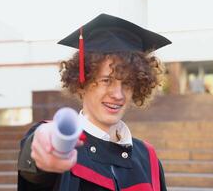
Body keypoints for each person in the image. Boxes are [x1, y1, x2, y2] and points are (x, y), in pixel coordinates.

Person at [17, 13, 171, 191]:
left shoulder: (147, 158)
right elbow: (37, 155)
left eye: (127, 83)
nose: (118, 94)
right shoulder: (61, 144)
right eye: (106, 80)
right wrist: (45, 141)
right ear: (82, 82)